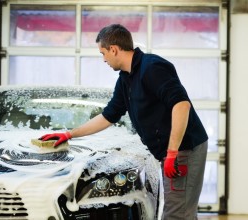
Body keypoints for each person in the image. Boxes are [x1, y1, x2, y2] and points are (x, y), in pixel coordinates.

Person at [40, 24, 208, 220]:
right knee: (182, 210)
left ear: (114, 49)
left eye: (103, 53)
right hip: (172, 151)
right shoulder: (125, 80)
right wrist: (69, 134)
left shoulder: (152, 67)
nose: (103, 59)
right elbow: (108, 116)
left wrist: (172, 153)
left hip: (184, 149)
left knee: (177, 214)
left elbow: (181, 105)